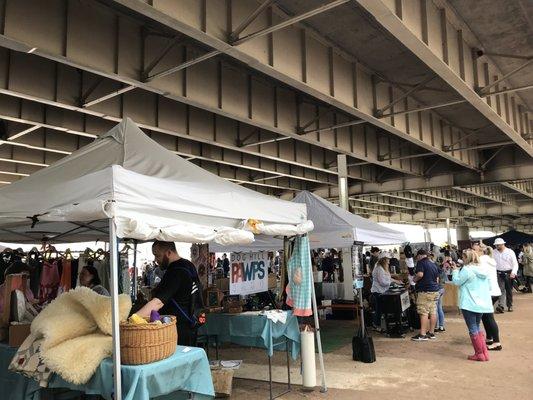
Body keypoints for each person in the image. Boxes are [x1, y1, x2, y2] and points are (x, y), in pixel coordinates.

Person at [137, 241, 200, 346]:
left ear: (169, 253)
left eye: (158, 256)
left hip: (178, 329)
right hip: (190, 323)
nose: (156, 260)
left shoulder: (176, 272)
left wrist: (135, 318)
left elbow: (158, 302)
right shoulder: (188, 265)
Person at [451, 249, 493, 361]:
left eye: (463, 257)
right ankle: (484, 353)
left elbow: (456, 282)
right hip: (481, 303)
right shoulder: (482, 269)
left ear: (467, 258)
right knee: (477, 327)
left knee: (473, 329)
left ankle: (479, 354)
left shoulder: (467, 270)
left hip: (469, 303)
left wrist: (455, 270)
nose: (462, 259)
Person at [473, 243, 503, 351]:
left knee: (489, 317)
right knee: (485, 316)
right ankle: (490, 338)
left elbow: (482, 274)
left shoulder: (483, 260)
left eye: (474, 250)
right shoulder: (488, 259)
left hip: (489, 292)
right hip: (493, 292)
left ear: (481, 251)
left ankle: (496, 342)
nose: (472, 252)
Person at [411, 249, 440, 341]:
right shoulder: (433, 263)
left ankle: (422, 334)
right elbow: (437, 278)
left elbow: (420, 274)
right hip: (435, 290)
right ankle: (431, 333)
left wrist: (414, 280)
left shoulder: (421, 263)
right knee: (433, 311)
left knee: (423, 312)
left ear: (419, 255)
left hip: (425, 291)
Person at [370, 256, 403, 331]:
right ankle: (376, 325)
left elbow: (387, 278)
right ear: (384, 261)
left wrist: (396, 281)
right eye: (388, 261)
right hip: (378, 291)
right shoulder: (379, 269)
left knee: (380, 308)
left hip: (381, 291)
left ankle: (378, 324)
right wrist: (393, 281)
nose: (389, 263)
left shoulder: (382, 268)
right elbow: (383, 282)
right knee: (379, 309)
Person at [493, 238, 519, 312]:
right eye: (496, 245)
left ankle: (510, 305)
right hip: (498, 273)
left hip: (508, 273)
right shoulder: (494, 252)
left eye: (498, 245)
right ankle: (501, 306)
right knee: (500, 289)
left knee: (509, 290)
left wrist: (513, 272)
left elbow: (515, 264)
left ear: (502, 244)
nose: (496, 246)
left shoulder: (510, 252)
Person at [435, 257, 449, 333]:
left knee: (435, 308)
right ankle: (441, 326)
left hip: (437, 290)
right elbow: (446, 280)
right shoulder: (442, 271)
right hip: (442, 289)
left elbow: (436, 281)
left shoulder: (436, 272)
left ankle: (436, 326)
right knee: (439, 308)